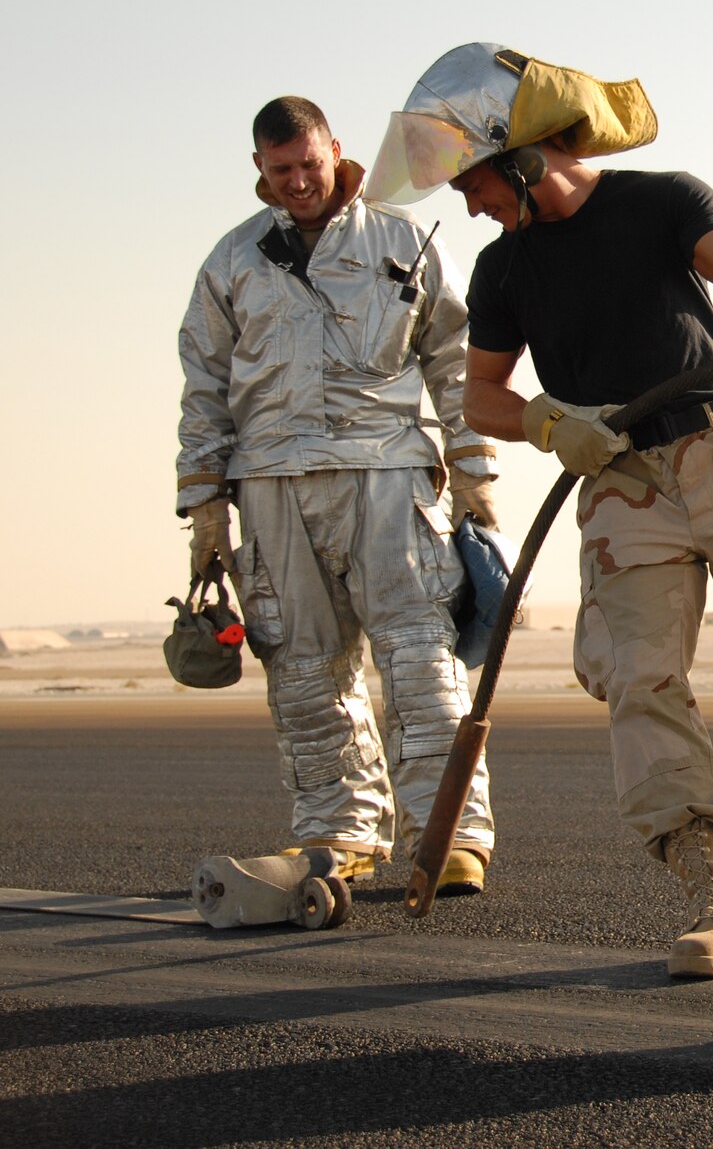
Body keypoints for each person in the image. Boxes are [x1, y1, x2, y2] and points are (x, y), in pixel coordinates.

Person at [364, 45, 713, 978]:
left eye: (475, 181)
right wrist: (548, 421)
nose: (469, 205)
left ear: (526, 157)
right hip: (619, 483)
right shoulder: (504, 273)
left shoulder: (663, 201)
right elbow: (482, 397)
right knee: (637, 676)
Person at [177, 95, 498, 894]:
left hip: (387, 476)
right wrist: (206, 503)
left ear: (335, 150)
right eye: (280, 170)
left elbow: (457, 361)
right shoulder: (233, 260)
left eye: (309, 164)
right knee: (304, 667)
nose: (297, 182)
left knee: (422, 657)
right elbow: (204, 385)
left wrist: (474, 476)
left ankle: (449, 833)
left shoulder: (405, 237)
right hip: (273, 486)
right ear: (259, 168)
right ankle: (339, 827)